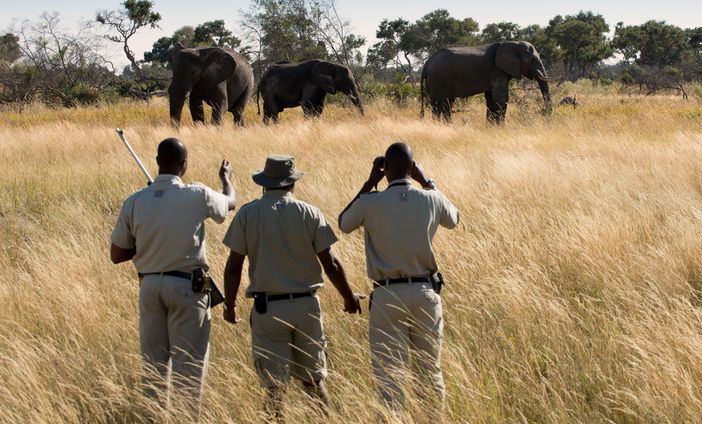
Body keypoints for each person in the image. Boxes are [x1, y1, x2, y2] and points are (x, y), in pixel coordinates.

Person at [222, 154, 363, 419]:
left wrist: (229, 306)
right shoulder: (309, 212)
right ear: (292, 184)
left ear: (264, 183)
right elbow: (330, 262)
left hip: (268, 310)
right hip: (307, 306)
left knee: (275, 388)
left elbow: (233, 267)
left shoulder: (248, 214)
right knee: (313, 380)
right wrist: (348, 296)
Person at [110, 137, 237, 419]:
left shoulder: (135, 201)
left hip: (150, 287)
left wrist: (147, 242)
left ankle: (154, 417)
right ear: (184, 164)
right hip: (187, 288)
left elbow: (117, 254)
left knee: (153, 367)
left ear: (157, 163)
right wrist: (226, 178)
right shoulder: (197, 194)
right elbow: (230, 203)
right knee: (188, 367)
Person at [338, 142, 459, 415]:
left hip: (387, 294)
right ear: (412, 168)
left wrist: (370, 182)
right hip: (426, 292)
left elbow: (344, 222)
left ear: (385, 168)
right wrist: (427, 182)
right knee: (430, 371)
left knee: (389, 377)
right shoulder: (431, 198)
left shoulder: (370, 203)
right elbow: (454, 219)